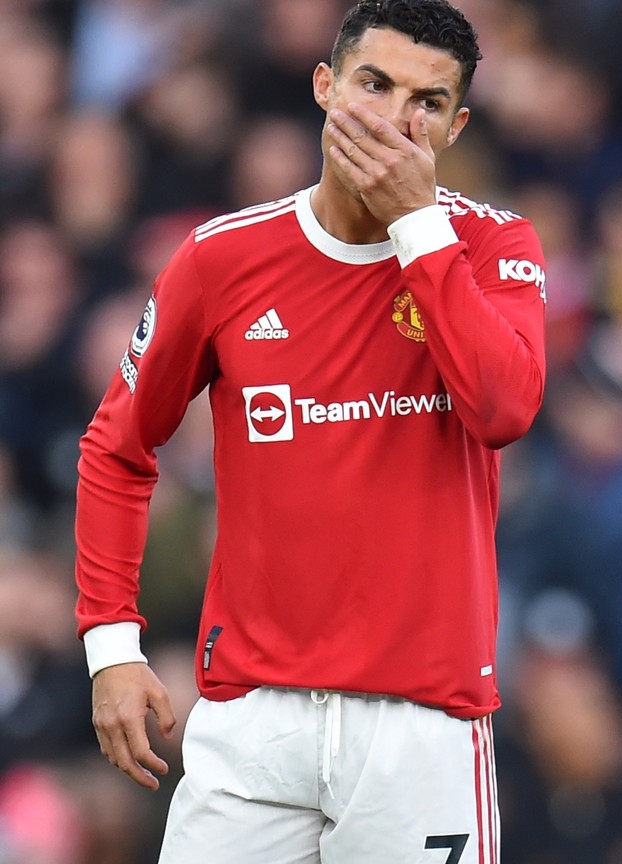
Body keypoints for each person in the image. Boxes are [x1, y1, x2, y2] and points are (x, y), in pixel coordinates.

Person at [73, 1, 547, 861]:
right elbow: (117, 448)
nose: (395, 120)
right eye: (374, 84)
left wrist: (416, 227)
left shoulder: (490, 245)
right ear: (325, 86)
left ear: (455, 124)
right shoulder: (221, 260)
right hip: (254, 721)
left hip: (423, 726)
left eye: (426, 102)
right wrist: (111, 644)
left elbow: (504, 409)